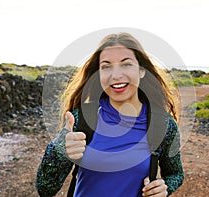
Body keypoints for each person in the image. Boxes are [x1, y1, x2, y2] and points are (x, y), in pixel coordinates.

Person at [36, 32, 184, 197]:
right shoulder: (82, 119)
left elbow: (175, 174)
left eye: (126, 64)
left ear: (142, 71)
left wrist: (164, 188)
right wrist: (60, 150)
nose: (116, 75)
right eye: (106, 66)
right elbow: (45, 188)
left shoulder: (163, 124)